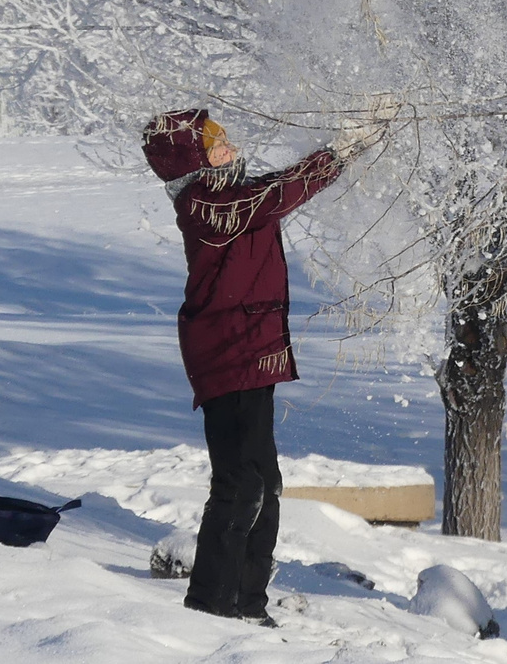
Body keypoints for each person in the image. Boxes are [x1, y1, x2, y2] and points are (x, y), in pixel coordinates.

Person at [142, 109, 378, 627]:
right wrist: (337, 154)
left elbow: (274, 189)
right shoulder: (203, 204)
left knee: (265, 483)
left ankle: (249, 604)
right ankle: (211, 603)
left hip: (252, 349)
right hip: (227, 351)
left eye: (225, 142)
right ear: (193, 163)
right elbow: (273, 196)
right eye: (216, 148)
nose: (229, 150)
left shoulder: (230, 196)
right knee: (240, 483)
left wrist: (344, 152)